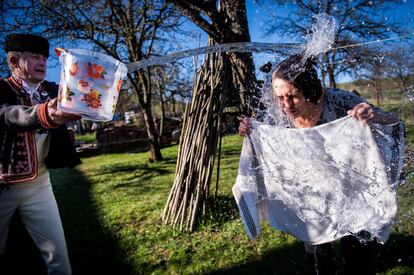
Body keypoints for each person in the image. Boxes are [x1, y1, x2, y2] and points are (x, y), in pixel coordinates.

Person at [239, 53, 401, 275]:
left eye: (293, 96)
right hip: (310, 191)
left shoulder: (339, 101)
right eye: (279, 97)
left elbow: (393, 120)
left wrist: (373, 116)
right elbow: (263, 139)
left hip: (351, 184)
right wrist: (250, 132)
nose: (286, 105)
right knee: (317, 254)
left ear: (309, 89)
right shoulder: (278, 114)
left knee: (357, 253)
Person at [0, 33, 82, 274]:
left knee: (59, 259)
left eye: (45, 58)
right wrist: (44, 113)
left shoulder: (53, 89)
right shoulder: (1, 89)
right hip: (2, 187)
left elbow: (79, 93)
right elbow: (9, 115)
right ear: (14, 62)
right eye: (34, 57)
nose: (43, 62)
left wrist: (78, 69)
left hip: (40, 185)